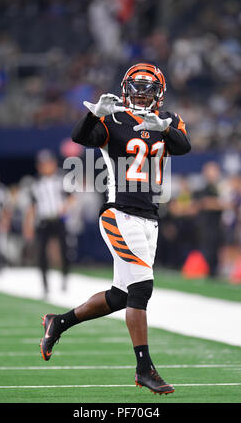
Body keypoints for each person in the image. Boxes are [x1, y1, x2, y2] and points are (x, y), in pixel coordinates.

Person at [39, 63, 191, 394]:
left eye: (147, 87)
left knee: (121, 295)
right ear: (125, 87)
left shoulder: (170, 120)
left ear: (159, 92)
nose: (140, 92)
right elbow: (80, 136)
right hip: (119, 214)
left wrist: (163, 128)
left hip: (150, 217)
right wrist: (94, 115)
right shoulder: (115, 118)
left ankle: (59, 322)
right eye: (135, 86)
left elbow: (183, 146)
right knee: (142, 288)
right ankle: (144, 369)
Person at [23, 150, 74, 294]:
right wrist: (28, 225)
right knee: (41, 253)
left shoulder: (61, 179)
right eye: (43, 164)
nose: (46, 167)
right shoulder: (36, 184)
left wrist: (65, 208)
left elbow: (71, 198)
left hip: (58, 219)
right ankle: (45, 284)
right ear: (39, 167)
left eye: (48, 163)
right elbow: (32, 207)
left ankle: (65, 278)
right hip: (44, 220)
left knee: (65, 250)